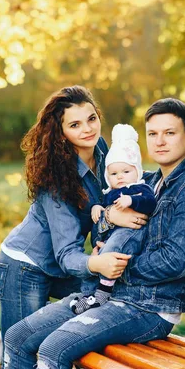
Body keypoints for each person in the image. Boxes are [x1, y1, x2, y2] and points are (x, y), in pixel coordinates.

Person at [3, 98, 185, 369]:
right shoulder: (148, 181)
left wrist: (116, 265)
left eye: (170, 133)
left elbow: (176, 262)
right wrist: (106, 229)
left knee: (53, 349)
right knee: (17, 337)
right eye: (153, 134)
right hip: (107, 296)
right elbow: (109, 219)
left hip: (149, 307)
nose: (160, 141)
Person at [0, 86, 144, 369]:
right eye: (75, 125)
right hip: (27, 265)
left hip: (64, 266)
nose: (87, 129)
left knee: (103, 301)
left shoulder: (102, 150)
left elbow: (115, 192)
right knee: (22, 351)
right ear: (61, 132)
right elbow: (65, 254)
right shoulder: (55, 178)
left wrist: (114, 217)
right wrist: (96, 262)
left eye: (91, 118)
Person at [70, 123, 156, 314]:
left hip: (131, 235)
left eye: (126, 172)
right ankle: (88, 295)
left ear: (137, 171)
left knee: (113, 246)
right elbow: (106, 212)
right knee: (96, 259)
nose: (120, 177)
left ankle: (103, 293)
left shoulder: (140, 188)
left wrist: (131, 200)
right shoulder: (110, 193)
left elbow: (150, 203)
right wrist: (99, 208)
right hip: (111, 239)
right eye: (114, 173)